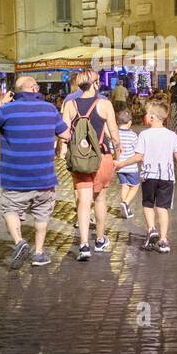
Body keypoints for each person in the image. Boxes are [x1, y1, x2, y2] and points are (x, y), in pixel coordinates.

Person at [0, 75, 70, 270]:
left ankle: (19, 242)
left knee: (10, 210)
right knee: (41, 215)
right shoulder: (50, 109)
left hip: (15, 178)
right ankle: (39, 253)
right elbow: (66, 134)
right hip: (44, 177)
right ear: (34, 88)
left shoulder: (6, 110)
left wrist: (0, 102)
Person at [59, 69, 120, 261]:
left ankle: (84, 245)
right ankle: (100, 240)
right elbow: (114, 133)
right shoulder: (104, 104)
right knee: (100, 199)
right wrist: (117, 154)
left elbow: (64, 133)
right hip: (102, 157)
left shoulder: (70, 105)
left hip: (80, 159)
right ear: (95, 84)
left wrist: (65, 149)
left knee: (83, 203)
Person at [114, 101, 177, 253]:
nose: (145, 117)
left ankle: (152, 229)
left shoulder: (144, 134)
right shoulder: (171, 135)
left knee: (148, 204)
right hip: (166, 177)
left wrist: (121, 164)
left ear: (153, 117)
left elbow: (138, 157)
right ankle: (163, 240)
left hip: (149, 175)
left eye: (147, 115)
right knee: (162, 208)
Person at [115, 107, 141, 220]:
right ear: (130, 122)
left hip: (119, 166)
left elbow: (113, 149)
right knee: (135, 186)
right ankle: (125, 203)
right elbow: (138, 151)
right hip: (130, 166)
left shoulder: (115, 135)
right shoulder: (133, 135)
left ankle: (126, 208)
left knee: (124, 185)